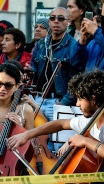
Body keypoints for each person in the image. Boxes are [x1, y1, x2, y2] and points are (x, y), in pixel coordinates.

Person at [30, 7, 82, 152]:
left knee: (58, 146)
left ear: (69, 22)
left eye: (60, 18)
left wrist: (64, 102)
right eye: (52, 18)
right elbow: (34, 65)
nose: (56, 21)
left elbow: (76, 79)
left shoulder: (73, 46)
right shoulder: (41, 44)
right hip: (38, 100)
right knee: (38, 145)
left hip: (58, 101)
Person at [0, 28, 31, 97]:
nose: (2, 42)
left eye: (7, 40)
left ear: (18, 44)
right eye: (3, 39)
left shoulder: (29, 62)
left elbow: (32, 90)